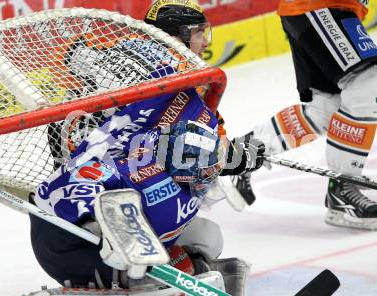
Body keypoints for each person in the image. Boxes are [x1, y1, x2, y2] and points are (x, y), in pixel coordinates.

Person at [29, 1, 265, 295]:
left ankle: (154, 268)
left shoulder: (181, 83)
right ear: (178, 34)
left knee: (207, 237)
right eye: (201, 33)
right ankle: (136, 267)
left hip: (102, 194)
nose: (206, 42)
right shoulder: (143, 72)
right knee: (157, 176)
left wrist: (235, 156)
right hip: (77, 223)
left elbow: (210, 144)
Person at [231, 0, 377, 230]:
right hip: (320, 6)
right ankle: (343, 189)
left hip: (324, 10)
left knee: (328, 108)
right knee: (368, 83)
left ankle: (245, 152)